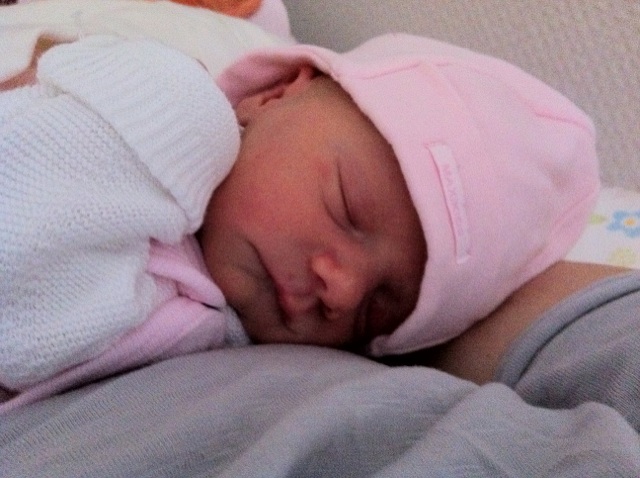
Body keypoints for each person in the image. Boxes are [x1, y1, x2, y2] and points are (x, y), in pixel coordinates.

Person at [1, 31, 599, 411]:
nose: (342, 289)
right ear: (274, 96)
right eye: (346, 208)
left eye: (377, 308)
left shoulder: (241, 360)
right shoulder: (160, 118)